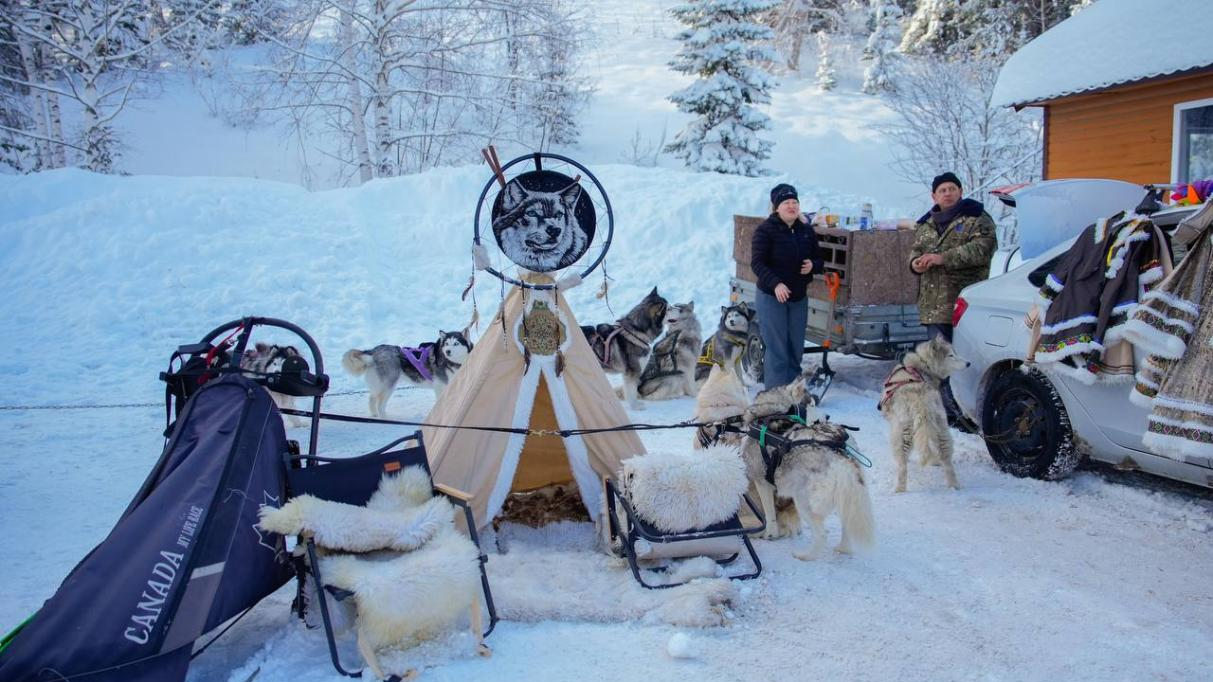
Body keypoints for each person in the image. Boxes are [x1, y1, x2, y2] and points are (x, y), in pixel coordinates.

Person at [751, 183, 824, 389]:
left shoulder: (806, 231)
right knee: (777, 349)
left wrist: (812, 265)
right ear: (776, 207)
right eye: (786, 203)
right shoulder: (765, 231)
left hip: (798, 297)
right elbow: (757, 263)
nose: (792, 206)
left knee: (795, 348)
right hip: (772, 297)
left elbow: (819, 260)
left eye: (795, 202)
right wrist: (776, 284)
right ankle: (775, 396)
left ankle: (793, 393)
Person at [909, 172, 997, 343]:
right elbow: (915, 250)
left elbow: (983, 249)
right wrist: (915, 263)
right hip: (933, 308)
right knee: (940, 363)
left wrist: (943, 258)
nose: (947, 193)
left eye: (952, 189)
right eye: (942, 190)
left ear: (960, 192)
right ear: (934, 196)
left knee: (965, 361)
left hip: (965, 306)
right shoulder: (925, 224)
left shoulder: (977, 218)